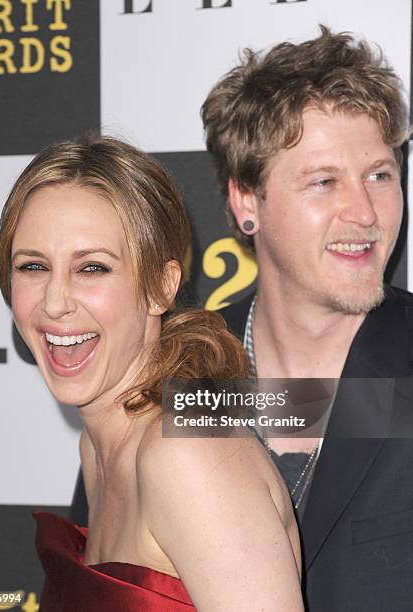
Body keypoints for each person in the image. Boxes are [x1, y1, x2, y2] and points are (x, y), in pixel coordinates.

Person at [0, 135, 303, 611]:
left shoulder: (185, 457)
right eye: (33, 266)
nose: (54, 302)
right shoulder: (101, 447)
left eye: (92, 268)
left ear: (161, 286)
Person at [199, 25, 413, 611]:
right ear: (247, 201)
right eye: (324, 182)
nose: (365, 211)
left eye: (380, 174)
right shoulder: (182, 372)